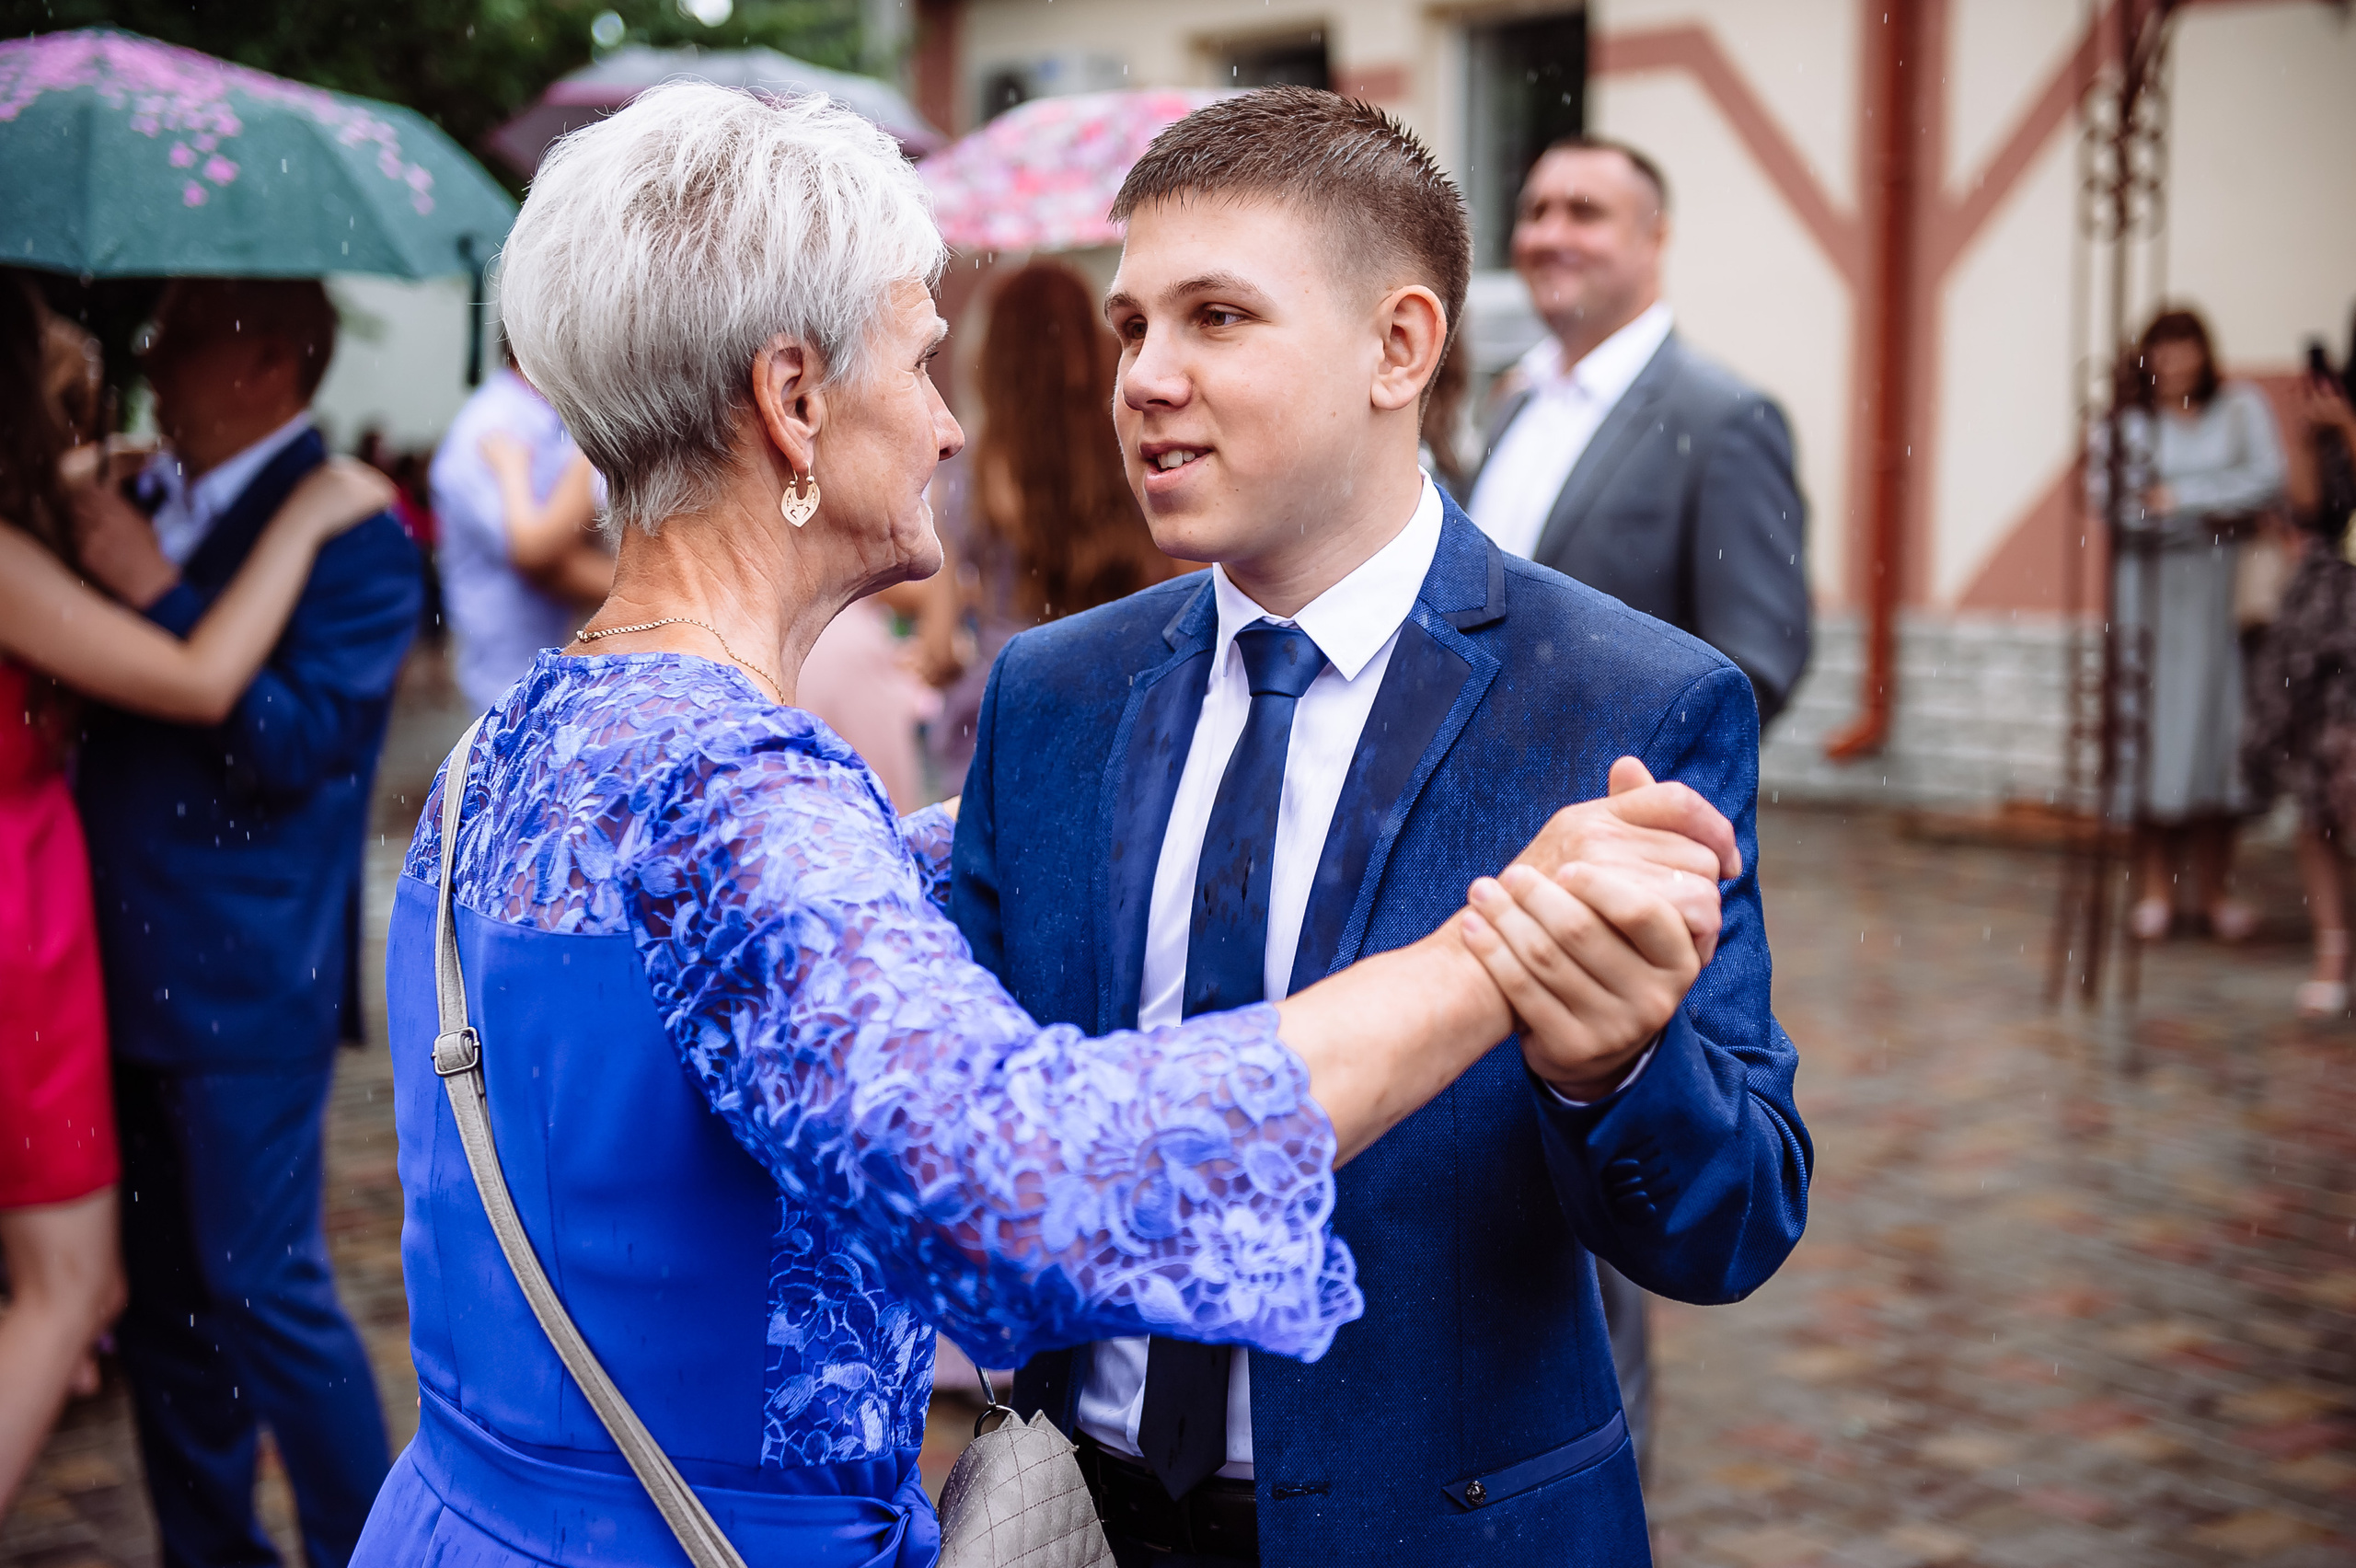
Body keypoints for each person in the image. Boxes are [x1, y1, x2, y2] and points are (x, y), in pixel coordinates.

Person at [350, 84, 1734, 1568]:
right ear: (795, 400)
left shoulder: (518, 745)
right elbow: (1030, 1177)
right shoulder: (739, 796)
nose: (952, 426)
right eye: (921, 360)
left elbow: (761, 984)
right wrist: (1496, 948)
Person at [953, 90, 1810, 1565]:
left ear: (1398, 348)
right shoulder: (1053, 693)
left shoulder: (1623, 705)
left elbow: (1732, 1223)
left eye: (1218, 318)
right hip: (1076, 1522)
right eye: (1131, 327)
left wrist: (1617, 1071)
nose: (1146, 377)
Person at [0, 283, 392, 1515]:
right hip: (82, 970)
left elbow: (294, 746)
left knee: (264, 1290)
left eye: (180, 335)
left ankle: (364, 1545)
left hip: (241, 986)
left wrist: (158, 587)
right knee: (162, 1309)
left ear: (268, 362)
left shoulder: (357, 537)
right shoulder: (120, 497)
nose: (151, 356)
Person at [1467, 136, 1810, 728]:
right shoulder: (1513, 401)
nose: (1549, 236)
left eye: (1584, 213)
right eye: (1535, 212)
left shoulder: (1724, 419)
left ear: (1655, 238)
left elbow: (1754, 668)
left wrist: (1611, 773)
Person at [923, 259, 1179, 790]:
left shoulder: (967, 471)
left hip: (1001, 725)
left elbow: (938, 649)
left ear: (995, 355)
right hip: (1118, 719)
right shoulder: (1141, 462)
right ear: (1092, 345)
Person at [2090, 308, 2286, 942]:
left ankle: (2215, 890)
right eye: (2164, 349)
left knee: (2220, 738)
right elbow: (2114, 503)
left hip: (2223, 600)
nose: (2176, 362)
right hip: (2149, 601)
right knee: (2153, 739)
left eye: (2186, 347)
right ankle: (2155, 890)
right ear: (2147, 358)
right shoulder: (2127, 426)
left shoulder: (2241, 409)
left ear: (2206, 352)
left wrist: (2181, 498)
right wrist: (2213, 505)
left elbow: (2269, 480)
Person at [2246, 328, 2356, 1015]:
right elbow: (2311, 515)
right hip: (2320, 627)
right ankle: (2332, 950)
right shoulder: (2334, 412)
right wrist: (2308, 436)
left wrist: (2349, 428)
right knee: (2316, 796)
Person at [429, 346, 613, 713]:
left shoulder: (560, 420)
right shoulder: (492, 430)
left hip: (563, 670)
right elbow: (537, 557)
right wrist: (664, 592)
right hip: (514, 679)